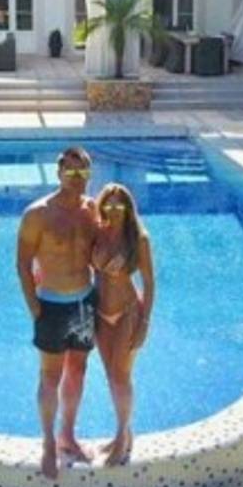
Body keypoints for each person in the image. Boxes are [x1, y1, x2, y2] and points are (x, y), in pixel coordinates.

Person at [17, 146, 98, 479]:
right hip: (50, 305)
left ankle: (68, 435)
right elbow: (23, 264)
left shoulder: (92, 210)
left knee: (78, 371)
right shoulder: (37, 214)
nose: (77, 178)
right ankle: (49, 443)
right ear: (59, 173)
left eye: (83, 172)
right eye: (71, 172)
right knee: (50, 376)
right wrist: (35, 307)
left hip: (84, 303)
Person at [91, 182, 154, 466]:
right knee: (111, 376)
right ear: (102, 205)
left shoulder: (139, 239)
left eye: (119, 203)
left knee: (121, 376)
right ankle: (125, 434)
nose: (113, 208)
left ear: (128, 208)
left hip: (128, 313)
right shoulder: (97, 234)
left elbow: (149, 283)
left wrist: (144, 323)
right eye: (108, 202)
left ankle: (120, 439)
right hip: (101, 314)